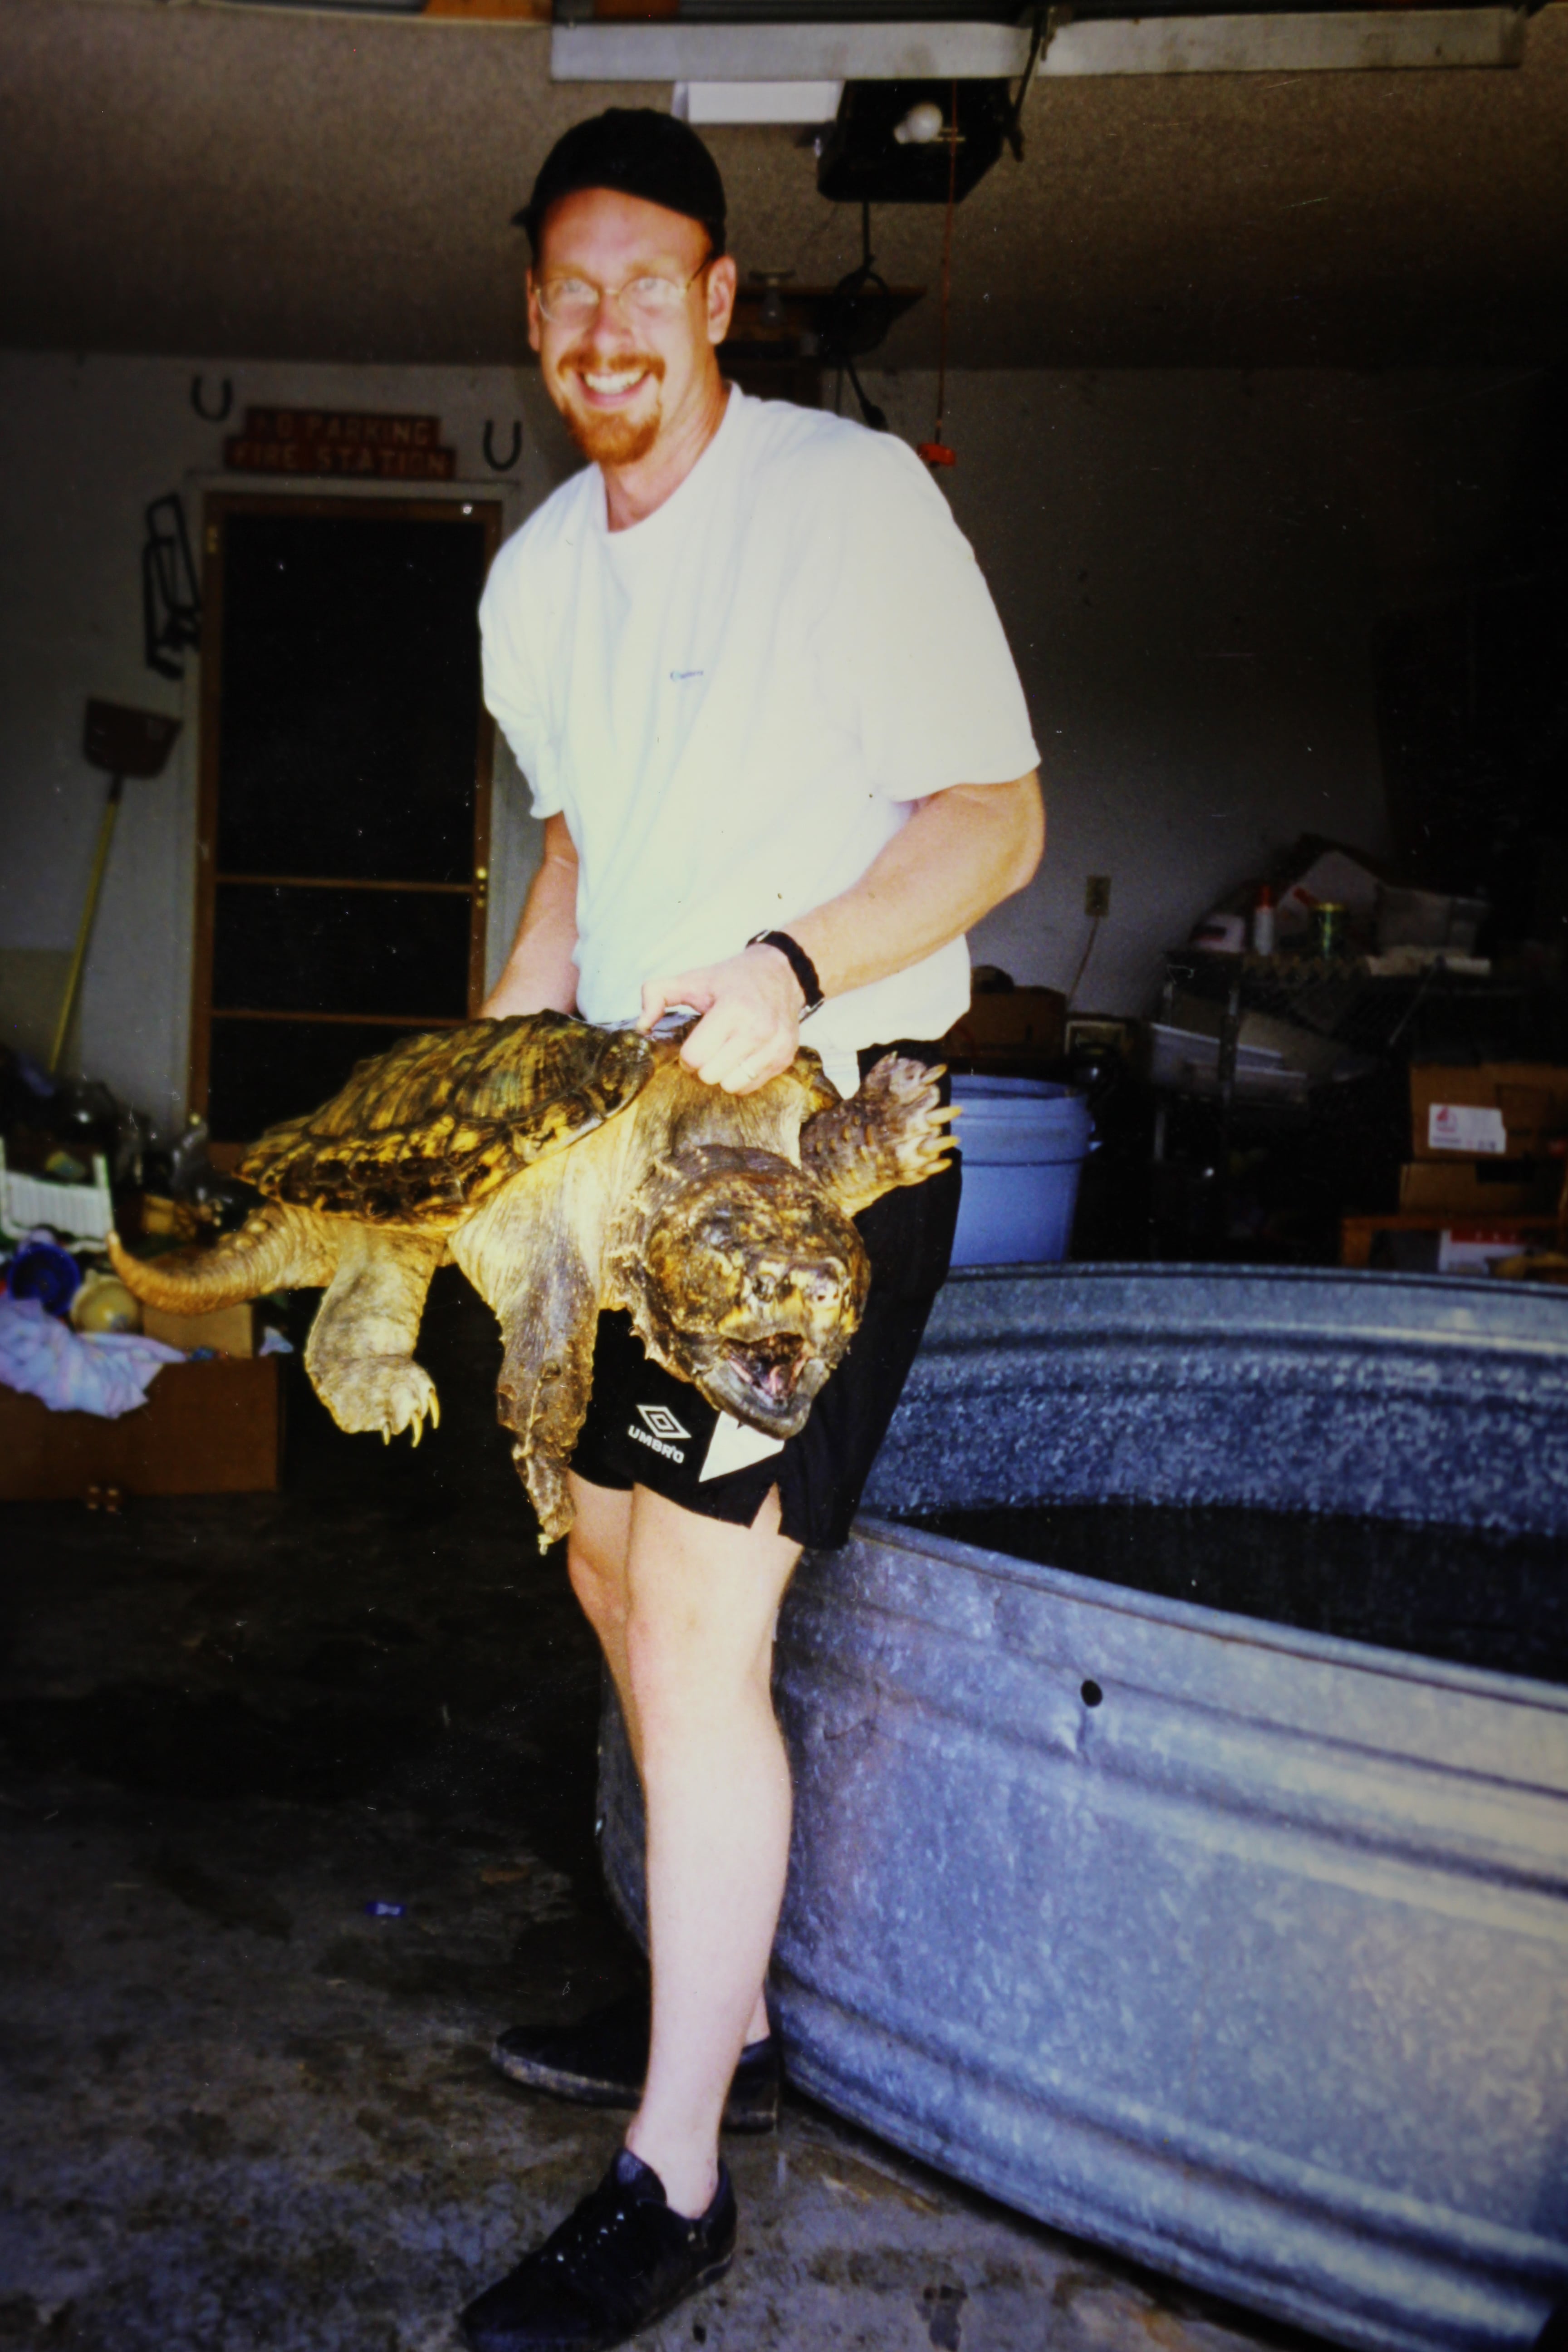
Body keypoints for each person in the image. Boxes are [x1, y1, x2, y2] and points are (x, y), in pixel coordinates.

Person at [461, 108, 1043, 2352]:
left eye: (653, 285)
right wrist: (508, 1056)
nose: (610, 327)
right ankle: (730, 2016)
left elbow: (999, 817)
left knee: (698, 1622)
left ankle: (675, 2174)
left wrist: (794, 963)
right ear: (537, 317)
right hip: (623, 1145)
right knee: (609, 1562)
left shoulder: (848, 505)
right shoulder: (532, 580)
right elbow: (588, 854)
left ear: (721, 300)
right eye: (570, 290)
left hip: (819, 1147)